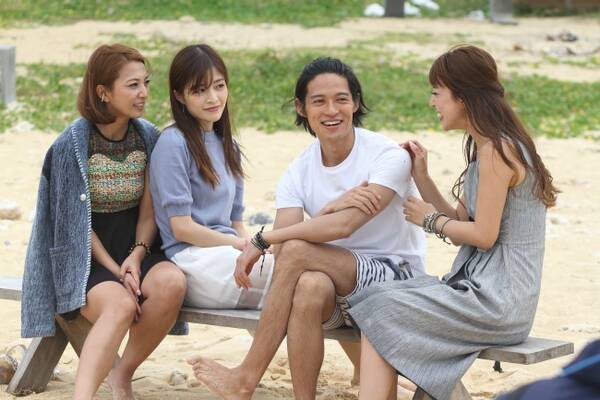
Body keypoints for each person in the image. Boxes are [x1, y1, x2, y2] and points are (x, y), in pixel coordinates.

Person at [189, 57, 427, 400]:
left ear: (355, 103)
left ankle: (246, 377)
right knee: (309, 285)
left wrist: (264, 238)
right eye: (319, 101)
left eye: (341, 99)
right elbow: (286, 252)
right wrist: (330, 208)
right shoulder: (298, 170)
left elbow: (345, 225)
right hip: (341, 292)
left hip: (397, 282)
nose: (332, 110)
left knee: (299, 250)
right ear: (301, 108)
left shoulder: (388, 156)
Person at [347, 44, 560, 400]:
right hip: (481, 293)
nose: (432, 102)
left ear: (461, 96)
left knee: (381, 309)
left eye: (436, 92)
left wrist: (429, 220)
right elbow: (461, 222)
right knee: (374, 297)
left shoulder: (498, 151)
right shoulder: (487, 148)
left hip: (498, 303)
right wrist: (422, 176)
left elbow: (483, 235)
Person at [21, 44, 187, 400]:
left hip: (138, 246)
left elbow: (150, 211)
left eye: (146, 83)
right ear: (103, 92)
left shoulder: (149, 137)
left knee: (172, 283)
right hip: (86, 258)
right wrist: (116, 269)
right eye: (132, 85)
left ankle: (122, 375)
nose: (143, 93)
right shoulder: (70, 145)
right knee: (121, 305)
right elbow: (74, 224)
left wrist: (136, 257)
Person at [149, 44, 273, 310]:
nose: (213, 98)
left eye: (219, 86)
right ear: (179, 96)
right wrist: (242, 244)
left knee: (301, 268)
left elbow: (236, 223)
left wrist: (251, 245)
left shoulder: (229, 146)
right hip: (193, 261)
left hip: (227, 255)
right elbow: (182, 228)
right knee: (293, 274)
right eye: (199, 90)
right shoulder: (173, 143)